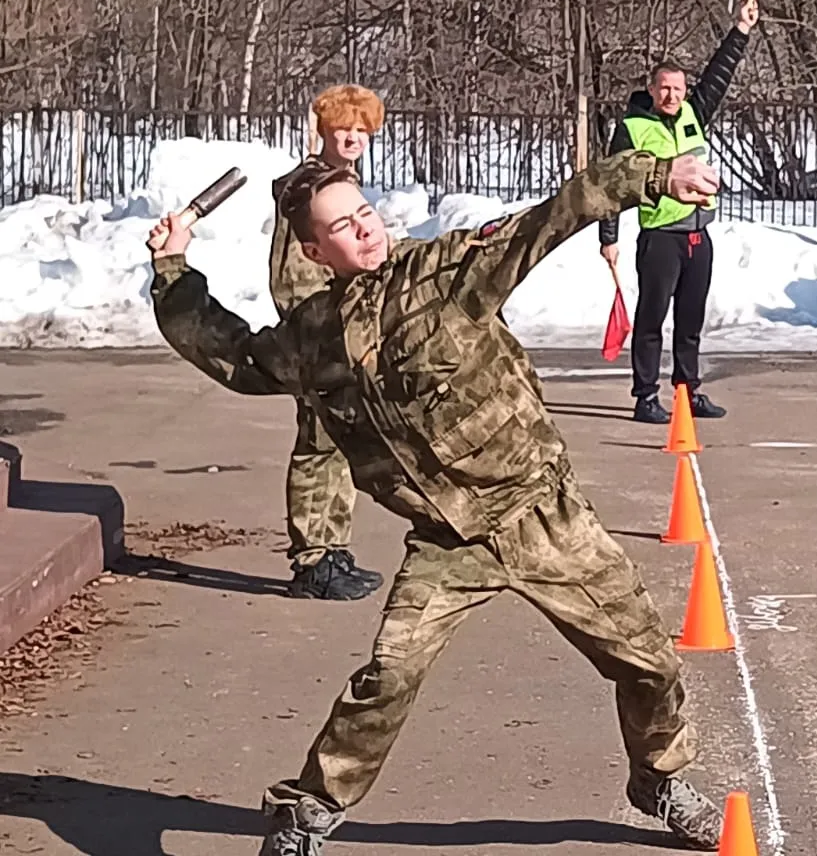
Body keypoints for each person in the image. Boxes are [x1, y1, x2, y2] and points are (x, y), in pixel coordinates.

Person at [145, 148, 728, 854]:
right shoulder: (314, 335)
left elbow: (550, 218)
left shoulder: (445, 273)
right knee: (387, 676)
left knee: (648, 663)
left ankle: (659, 778)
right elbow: (234, 356)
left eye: (365, 213)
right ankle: (308, 813)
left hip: (542, 514)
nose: (364, 230)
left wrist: (654, 178)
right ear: (312, 249)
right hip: (447, 543)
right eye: (341, 226)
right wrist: (173, 271)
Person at [599, 0, 759, 424]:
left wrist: (740, 28)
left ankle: (688, 391)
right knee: (651, 320)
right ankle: (646, 396)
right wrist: (608, 238)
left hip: (697, 237)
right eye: (664, 88)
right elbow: (609, 187)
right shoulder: (632, 128)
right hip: (659, 240)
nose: (672, 95)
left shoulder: (694, 113)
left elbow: (719, 75)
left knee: (691, 321)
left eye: (678, 88)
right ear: (652, 91)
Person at [267, 85, 387, 601]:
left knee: (338, 445)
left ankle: (333, 548)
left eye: (363, 130)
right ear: (324, 130)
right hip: (318, 334)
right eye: (345, 129)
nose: (354, 137)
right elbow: (292, 277)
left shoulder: (339, 183)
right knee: (318, 444)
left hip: (340, 329)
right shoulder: (308, 192)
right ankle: (313, 559)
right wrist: (317, 332)